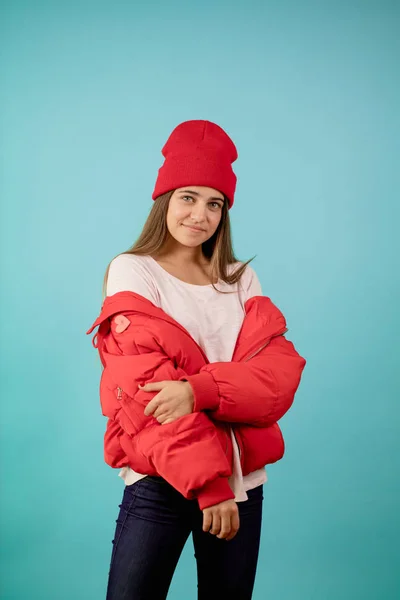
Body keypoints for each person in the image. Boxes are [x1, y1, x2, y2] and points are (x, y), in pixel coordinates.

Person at [87, 119, 306, 600]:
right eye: (187, 197)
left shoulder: (240, 279)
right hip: (162, 482)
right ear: (164, 199)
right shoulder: (133, 271)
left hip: (242, 483)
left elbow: (275, 382)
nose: (199, 215)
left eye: (215, 203)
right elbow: (145, 392)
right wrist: (211, 488)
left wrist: (197, 391)